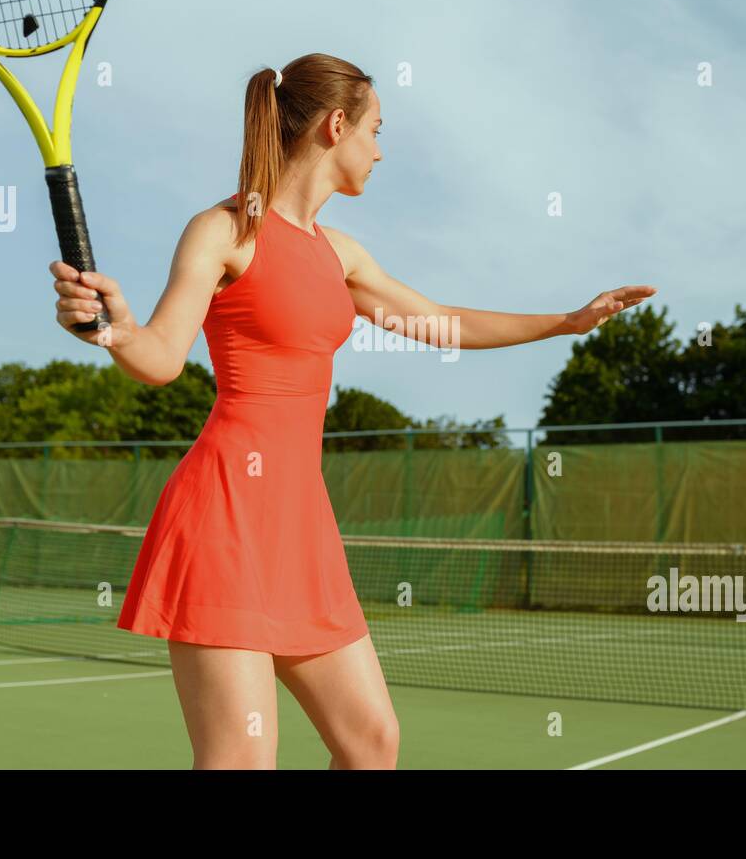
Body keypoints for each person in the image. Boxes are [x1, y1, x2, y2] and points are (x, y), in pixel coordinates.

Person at [48, 53, 656, 768]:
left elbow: (442, 323)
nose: (381, 148)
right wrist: (111, 327)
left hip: (302, 525)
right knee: (242, 758)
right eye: (376, 129)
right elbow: (160, 358)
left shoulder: (341, 257)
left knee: (371, 743)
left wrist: (566, 322)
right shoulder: (224, 230)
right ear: (337, 126)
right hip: (226, 517)